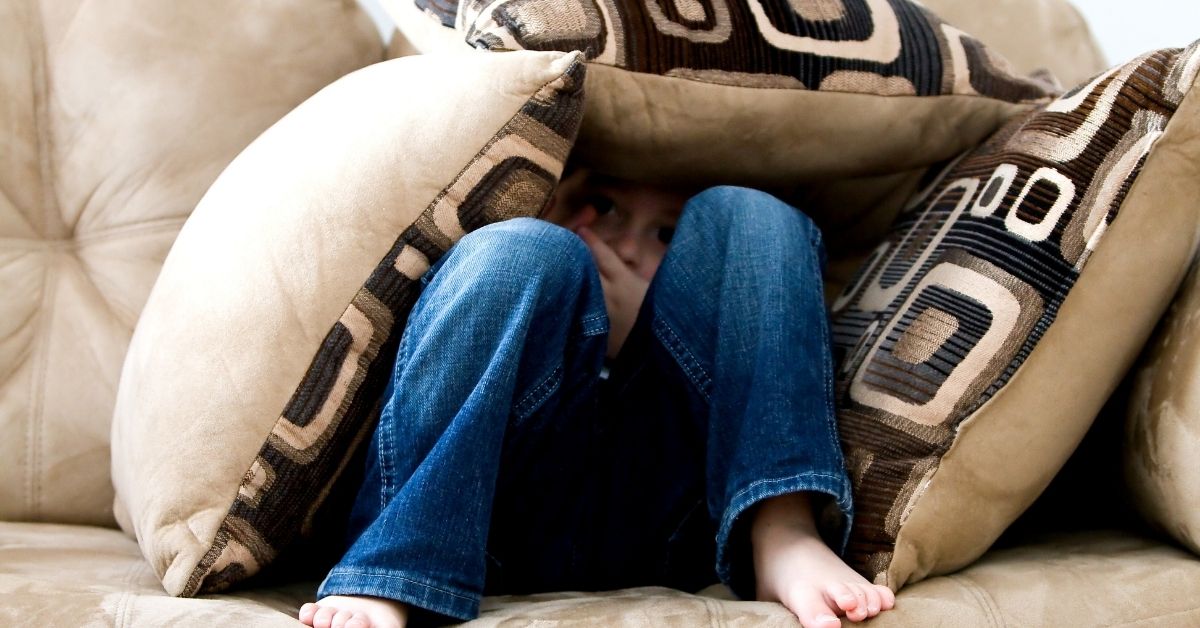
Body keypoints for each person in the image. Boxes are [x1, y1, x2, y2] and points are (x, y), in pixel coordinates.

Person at [298, 169, 896, 628]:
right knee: (520, 252)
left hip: (674, 518)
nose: (628, 245)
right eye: (605, 208)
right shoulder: (549, 264)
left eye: (667, 232)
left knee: (749, 212)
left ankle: (781, 526)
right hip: (494, 515)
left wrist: (643, 326)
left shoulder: (703, 290)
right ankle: (396, 565)